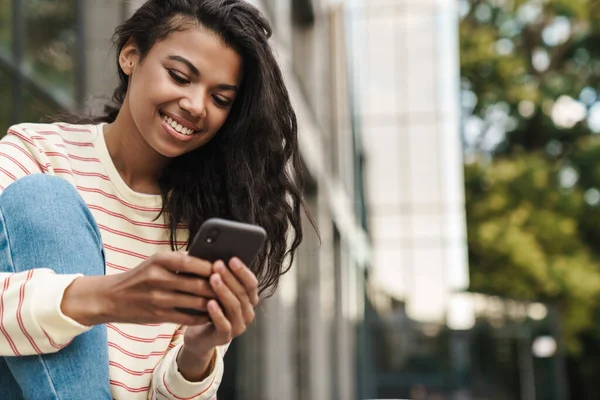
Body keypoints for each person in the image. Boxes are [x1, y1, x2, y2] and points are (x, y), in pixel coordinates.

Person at [0, 0, 313, 398]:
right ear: (131, 56)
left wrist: (198, 353)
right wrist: (106, 298)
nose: (197, 106)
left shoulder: (206, 222)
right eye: (180, 76)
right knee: (44, 200)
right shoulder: (35, 154)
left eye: (220, 99)